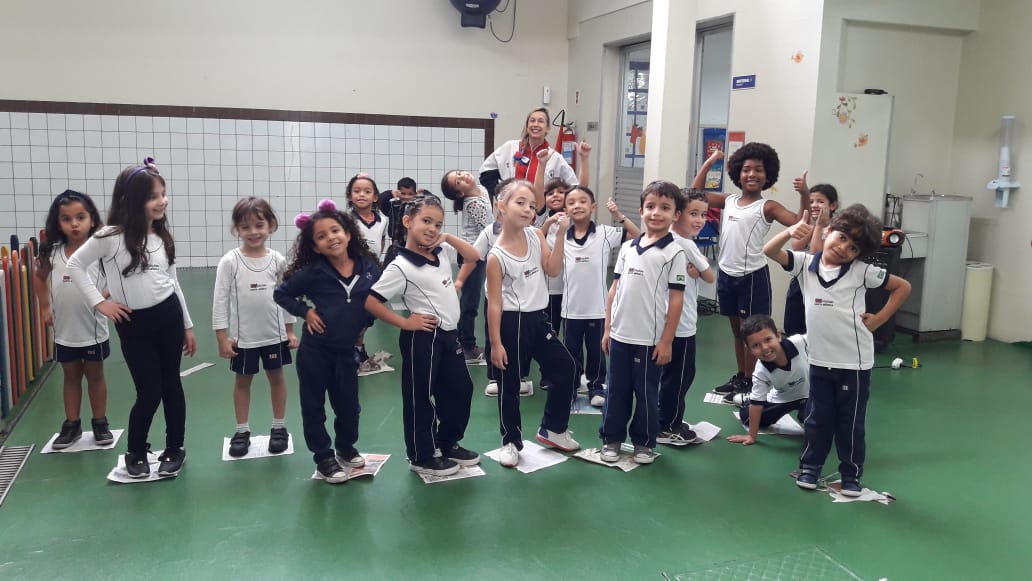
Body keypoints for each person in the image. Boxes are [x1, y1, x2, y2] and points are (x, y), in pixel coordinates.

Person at [764, 203, 911, 496]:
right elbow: (770, 251)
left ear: (859, 254)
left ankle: (851, 475)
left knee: (850, 423)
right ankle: (810, 468)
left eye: (853, 247)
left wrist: (879, 319)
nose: (844, 248)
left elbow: (902, 287)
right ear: (828, 231)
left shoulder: (862, 272)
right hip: (819, 361)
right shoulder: (805, 264)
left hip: (853, 365)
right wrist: (790, 232)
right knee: (817, 419)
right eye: (841, 237)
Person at [67, 158, 197, 478]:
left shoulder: (162, 237)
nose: (162, 201)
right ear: (131, 200)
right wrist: (100, 303)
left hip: (168, 316)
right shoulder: (110, 236)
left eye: (163, 194)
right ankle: (136, 451)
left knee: (171, 385)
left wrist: (187, 325)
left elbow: (173, 283)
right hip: (133, 324)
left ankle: (175, 447)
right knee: (149, 391)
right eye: (153, 196)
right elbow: (75, 266)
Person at [365, 196, 481, 477]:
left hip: (449, 336)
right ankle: (421, 455)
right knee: (420, 397)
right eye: (426, 221)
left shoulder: (441, 251)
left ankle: (446, 443)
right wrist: (405, 323)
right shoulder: (400, 266)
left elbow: (473, 257)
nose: (432, 228)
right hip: (423, 337)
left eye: (438, 224)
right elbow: (370, 301)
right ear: (407, 221)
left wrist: (448, 238)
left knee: (460, 389)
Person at [274, 200, 381, 484]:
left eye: (335, 230)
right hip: (315, 352)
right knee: (314, 407)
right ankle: (323, 457)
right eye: (321, 236)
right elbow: (281, 294)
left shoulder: (369, 268)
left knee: (349, 407)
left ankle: (345, 447)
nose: (331, 238)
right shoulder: (314, 273)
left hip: (347, 352)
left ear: (348, 233)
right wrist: (306, 312)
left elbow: (377, 300)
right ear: (316, 247)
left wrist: (366, 324)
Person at [693, 145, 808, 397]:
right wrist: (711, 161)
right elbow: (695, 194)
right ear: (738, 173)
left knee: (753, 334)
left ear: (768, 176)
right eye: (746, 169)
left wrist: (804, 194)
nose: (751, 174)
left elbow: (799, 221)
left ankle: (754, 381)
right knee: (738, 332)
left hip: (752, 278)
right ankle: (742, 377)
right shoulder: (729, 201)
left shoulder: (768, 206)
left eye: (758, 170)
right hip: (726, 275)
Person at [486, 179, 580, 468]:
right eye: (520, 203)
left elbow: (553, 269)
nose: (528, 209)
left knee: (566, 367)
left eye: (531, 204)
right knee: (510, 384)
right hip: (511, 323)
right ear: (501, 207)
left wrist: (560, 235)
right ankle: (510, 441)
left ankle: (553, 429)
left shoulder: (536, 235)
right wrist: (495, 343)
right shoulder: (496, 256)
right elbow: (494, 303)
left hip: (538, 318)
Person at [600, 181, 687, 465]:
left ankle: (643, 442)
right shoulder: (627, 248)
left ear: (675, 215)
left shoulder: (674, 253)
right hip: (620, 336)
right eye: (650, 206)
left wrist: (666, 341)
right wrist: (608, 328)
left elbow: (676, 300)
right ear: (640, 210)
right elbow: (614, 289)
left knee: (647, 394)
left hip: (649, 340)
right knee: (616, 391)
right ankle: (611, 438)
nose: (656, 213)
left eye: (665, 208)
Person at [212, 197, 298, 458]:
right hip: (244, 339)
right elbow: (220, 300)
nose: (253, 232)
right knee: (242, 382)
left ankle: (279, 427)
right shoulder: (230, 261)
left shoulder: (278, 260)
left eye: (259, 225)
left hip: (274, 336)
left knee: (277, 378)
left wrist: (290, 330)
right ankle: (242, 430)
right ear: (236, 229)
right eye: (245, 227)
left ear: (271, 225)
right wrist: (222, 337)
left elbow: (286, 297)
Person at [33, 190, 113, 449]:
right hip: (64, 331)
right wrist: (45, 306)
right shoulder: (53, 253)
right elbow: (39, 278)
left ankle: (100, 422)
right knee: (70, 376)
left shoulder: (99, 252)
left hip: (93, 329)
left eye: (80, 217)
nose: (74, 224)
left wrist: (104, 297)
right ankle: (72, 424)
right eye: (67, 219)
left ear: (92, 220)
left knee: (95, 375)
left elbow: (117, 277)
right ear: (58, 223)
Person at [555, 185, 638, 407]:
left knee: (596, 351)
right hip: (570, 308)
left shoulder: (605, 233)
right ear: (565, 209)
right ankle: (571, 385)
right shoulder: (561, 236)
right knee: (570, 352)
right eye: (571, 202)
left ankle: (596, 385)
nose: (577, 206)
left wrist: (619, 216)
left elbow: (638, 235)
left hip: (597, 308)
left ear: (593, 207)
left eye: (583, 201)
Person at [657, 189, 716, 445]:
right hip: (680, 325)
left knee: (668, 377)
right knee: (680, 377)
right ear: (677, 214)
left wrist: (694, 272)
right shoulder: (686, 244)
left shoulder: (663, 239)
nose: (699, 220)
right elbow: (711, 276)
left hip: (664, 321)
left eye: (703, 215)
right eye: (693, 214)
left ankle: (666, 420)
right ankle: (667, 426)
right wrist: (700, 271)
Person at [726, 315, 809, 446]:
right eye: (755, 345)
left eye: (768, 339)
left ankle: (806, 413)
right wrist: (751, 436)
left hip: (813, 395)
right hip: (784, 399)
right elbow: (757, 406)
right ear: (749, 349)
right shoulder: (760, 371)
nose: (764, 348)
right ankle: (752, 397)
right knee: (746, 417)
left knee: (816, 423)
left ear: (778, 335)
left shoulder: (800, 342)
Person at [440, 170, 493, 363]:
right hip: (472, 255)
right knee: (470, 302)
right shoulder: (473, 203)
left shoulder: (481, 189)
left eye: (460, 174)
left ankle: (466, 342)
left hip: (479, 253)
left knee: (471, 299)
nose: (463, 177)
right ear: (460, 193)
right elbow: (489, 229)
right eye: (458, 182)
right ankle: (466, 345)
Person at [784, 172, 839, 336]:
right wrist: (813, 225)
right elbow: (796, 246)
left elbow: (816, 254)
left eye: (820, 201)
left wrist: (819, 226)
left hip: (822, 282)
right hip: (800, 279)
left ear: (833, 206)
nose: (814, 205)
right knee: (793, 325)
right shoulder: (807, 223)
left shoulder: (836, 229)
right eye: (811, 201)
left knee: (814, 327)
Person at [478, 107, 578, 196]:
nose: (536, 124)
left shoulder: (554, 157)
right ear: (527, 125)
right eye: (532, 121)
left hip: (540, 210)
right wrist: (501, 194)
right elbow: (485, 173)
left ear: (547, 128)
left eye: (541, 121)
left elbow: (573, 186)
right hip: (511, 208)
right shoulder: (510, 147)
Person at [346, 173, 387, 374]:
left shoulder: (383, 220)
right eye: (357, 191)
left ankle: (359, 350)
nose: (361, 195)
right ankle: (350, 353)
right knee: (353, 314)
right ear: (350, 196)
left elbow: (381, 241)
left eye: (367, 191)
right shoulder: (346, 220)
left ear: (375, 197)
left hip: (374, 272)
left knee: (368, 315)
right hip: (353, 273)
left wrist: (377, 263)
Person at [379, 177, 439, 266]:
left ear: (415, 194)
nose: (406, 197)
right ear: (398, 193)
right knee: (388, 268)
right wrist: (390, 193)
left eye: (410, 194)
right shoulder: (393, 206)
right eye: (403, 193)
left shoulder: (419, 209)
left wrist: (425, 193)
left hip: (415, 247)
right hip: (396, 246)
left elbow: (436, 203)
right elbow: (379, 201)